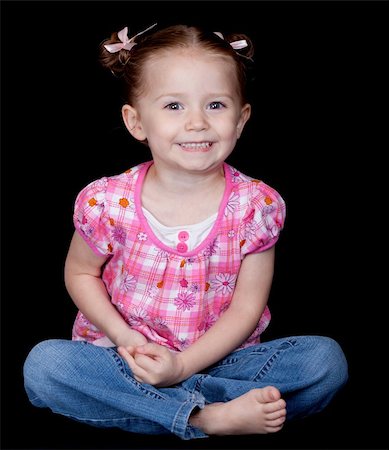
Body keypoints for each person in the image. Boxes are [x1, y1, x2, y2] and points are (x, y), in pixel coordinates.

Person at [23, 23, 348, 440]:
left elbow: (246, 310)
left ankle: (161, 407)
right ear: (136, 121)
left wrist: (181, 366)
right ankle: (205, 416)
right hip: (125, 360)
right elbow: (80, 274)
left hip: (220, 358)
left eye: (215, 105)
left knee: (324, 361)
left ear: (241, 119)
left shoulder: (255, 206)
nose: (197, 123)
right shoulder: (106, 201)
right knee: (47, 366)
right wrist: (127, 339)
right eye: (174, 106)